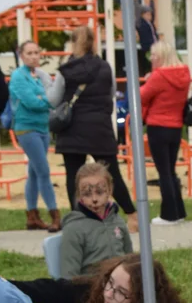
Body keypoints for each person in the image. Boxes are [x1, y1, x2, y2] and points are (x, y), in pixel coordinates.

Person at [48, 25, 138, 232]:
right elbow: (112, 93)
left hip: (72, 129)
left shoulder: (66, 70)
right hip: (100, 128)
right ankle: (132, 215)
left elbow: (53, 99)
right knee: (112, 173)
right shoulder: (105, 67)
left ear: (73, 43)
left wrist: (46, 85)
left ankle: (78, 220)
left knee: (73, 175)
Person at [10, 41, 60, 232]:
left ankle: (32, 216)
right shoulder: (18, 76)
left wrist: (43, 100)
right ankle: (54, 215)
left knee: (33, 172)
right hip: (27, 128)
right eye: (29, 53)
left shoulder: (38, 76)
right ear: (21, 55)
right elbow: (32, 102)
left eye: (36, 53)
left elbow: (48, 98)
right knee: (43, 171)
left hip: (42, 127)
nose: (34, 56)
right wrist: (45, 100)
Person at [140, 42, 191, 225]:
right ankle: (179, 211)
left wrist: (147, 80)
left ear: (161, 56)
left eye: (154, 55)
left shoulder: (159, 76)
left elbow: (142, 96)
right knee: (170, 170)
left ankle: (169, 214)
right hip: (176, 127)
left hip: (158, 126)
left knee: (164, 173)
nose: (151, 58)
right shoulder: (184, 74)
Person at [60, 162, 133, 279]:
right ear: (79, 195)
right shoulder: (74, 229)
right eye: (87, 194)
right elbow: (69, 277)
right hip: (91, 289)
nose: (94, 199)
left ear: (109, 190)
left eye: (99, 192)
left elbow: (130, 260)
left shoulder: (118, 221)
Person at [135, 4, 158, 77]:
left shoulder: (150, 23)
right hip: (147, 47)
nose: (149, 16)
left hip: (154, 46)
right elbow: (137, 13)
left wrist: (151, 0)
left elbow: (153, 14)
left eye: (150, 14)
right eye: (147, 14)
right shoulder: (141, 23)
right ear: (142, 15)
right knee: (148, 64)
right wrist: (135, 1)